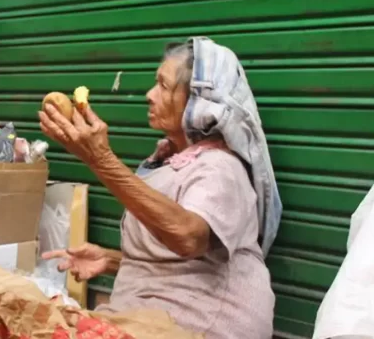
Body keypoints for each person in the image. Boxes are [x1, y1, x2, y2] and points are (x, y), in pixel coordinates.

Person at [39, 38, 281, 339]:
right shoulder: (170, 163)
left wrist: (100, 159)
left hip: (199, 327)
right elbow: (177, 263)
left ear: (197, 100)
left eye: (163, 86)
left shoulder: (221, 167)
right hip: (145, 317)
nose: (149, 95)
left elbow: (189, 237)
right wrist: (113, 260)